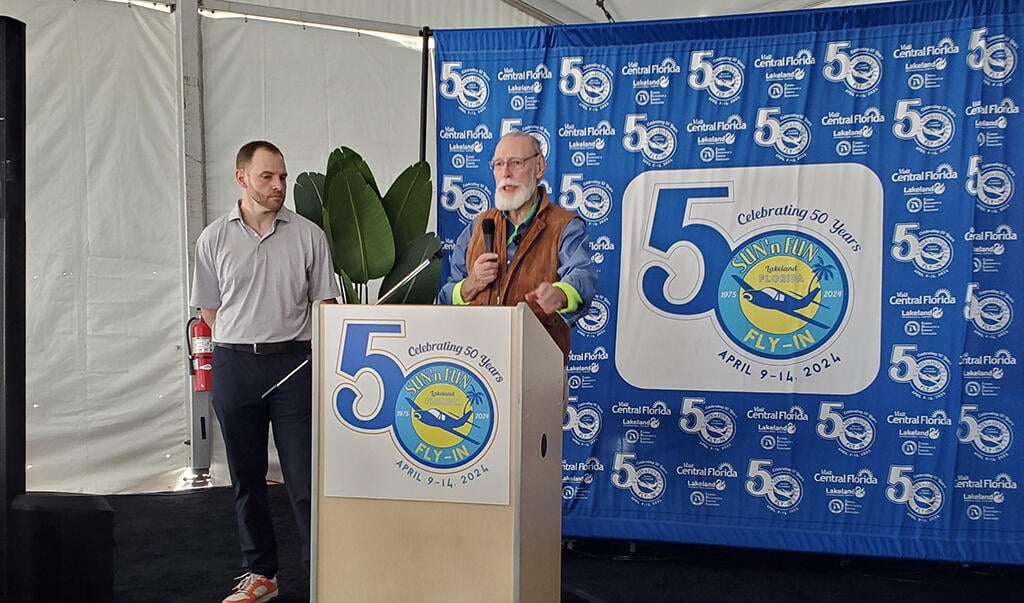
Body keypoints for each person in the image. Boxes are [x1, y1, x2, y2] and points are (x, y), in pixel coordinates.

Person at [190, 140, 340, 603]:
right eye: (267, 177)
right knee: (246, 478)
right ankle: (261, 575)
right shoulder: (213, 238)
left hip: (294, 365)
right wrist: (244, 339)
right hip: (235, 365)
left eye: (283, 177)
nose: (278, 185)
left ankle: (322, 580)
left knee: (305, 480)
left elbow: (326, 303)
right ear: (242, 179)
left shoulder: (309, 235)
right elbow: (209, 311)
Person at [438, 130, 597, 363]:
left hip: (537, 366)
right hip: (476, 364)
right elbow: (446, 296)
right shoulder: (479, 225)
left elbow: (581, 274)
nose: (506, 173)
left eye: (516, 163)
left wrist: (561, 294)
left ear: (539, 167)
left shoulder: (565, 226)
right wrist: (471, 284)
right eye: (498, 164)